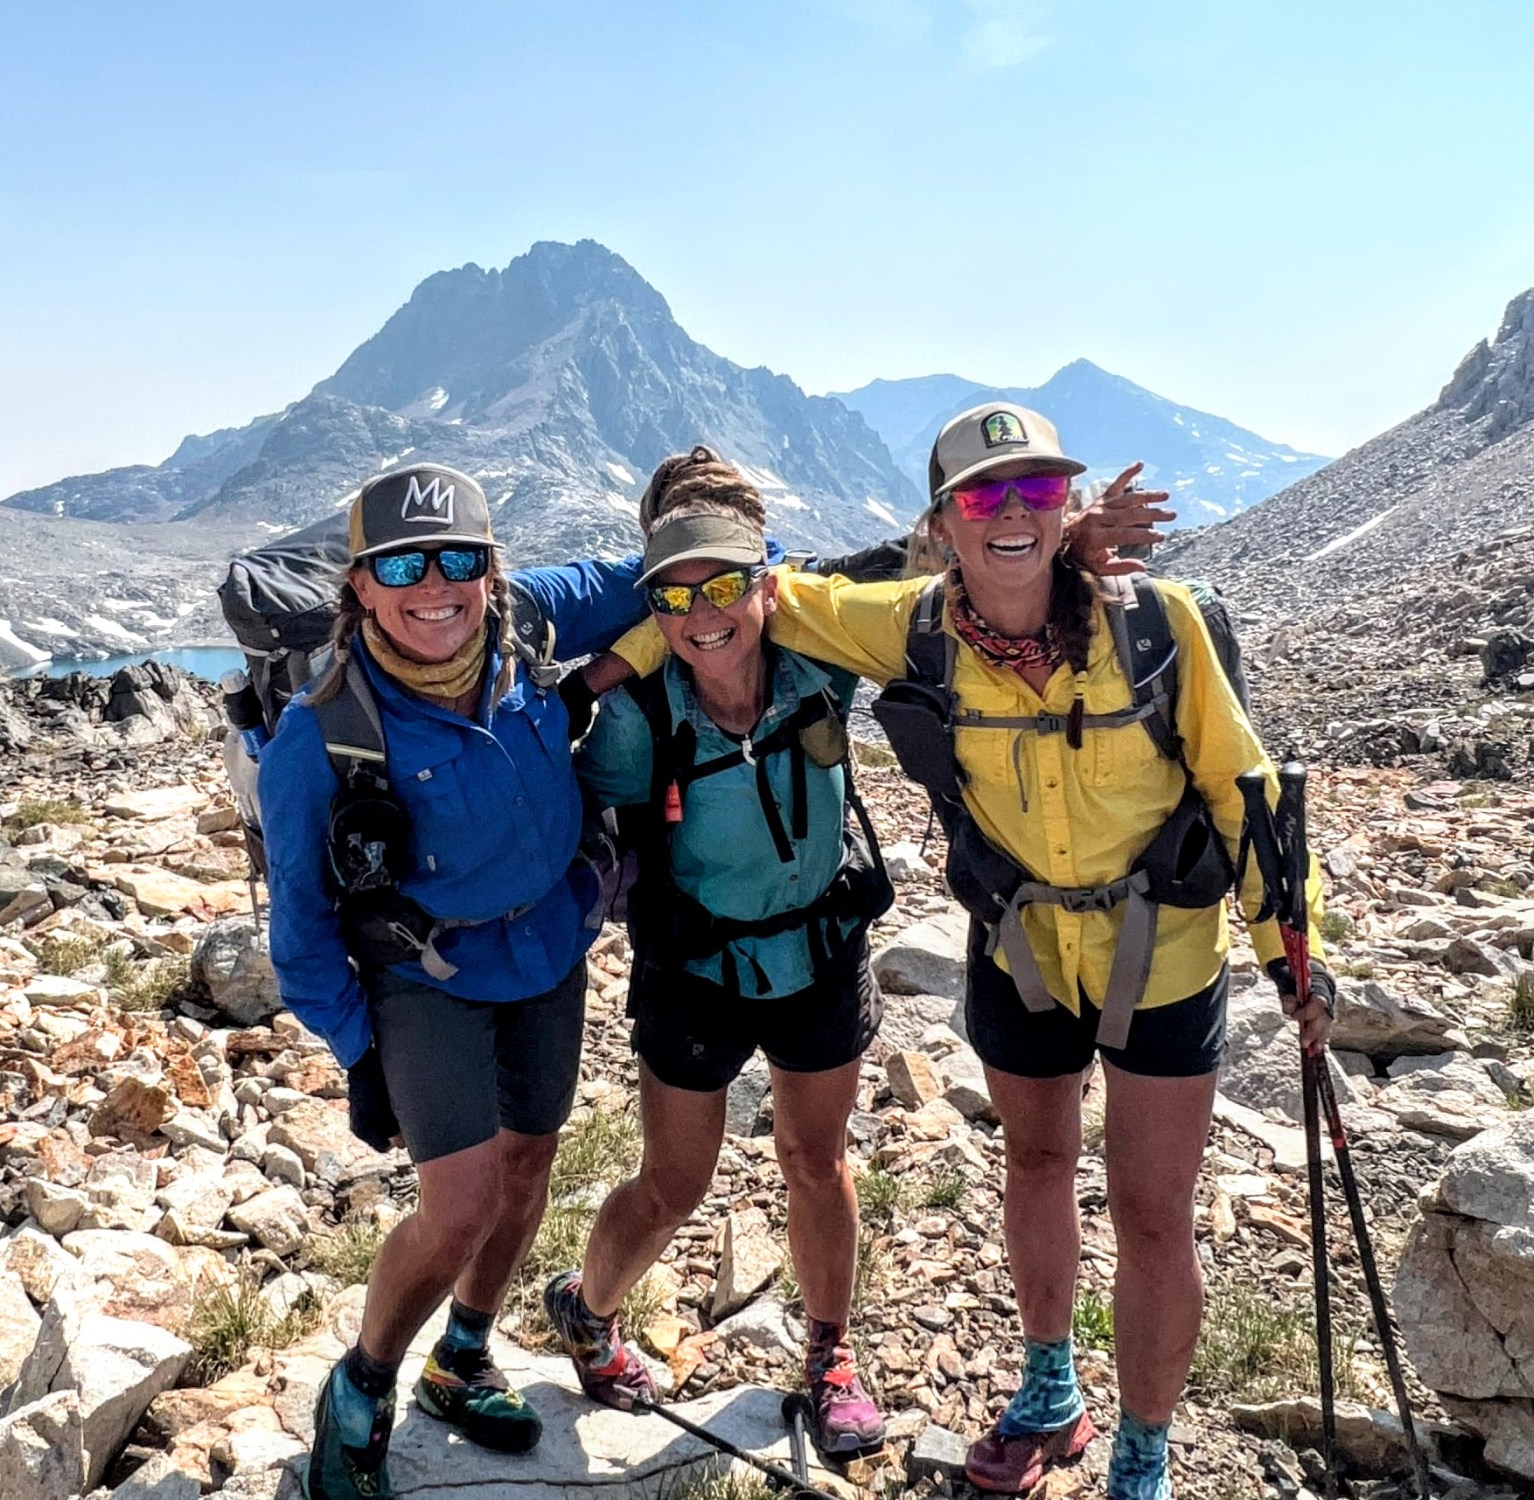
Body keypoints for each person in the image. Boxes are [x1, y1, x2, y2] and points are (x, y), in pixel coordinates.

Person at [602, 406, 1332, 1500]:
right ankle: (1049, 1386)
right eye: (984, 495)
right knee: (1035, 1165)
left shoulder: (1160, 624)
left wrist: (1293, 952)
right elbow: (737, 595)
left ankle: (1142, 1451)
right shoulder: (912, 626)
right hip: (1022, 950)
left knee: (1151, 1213)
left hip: (1164, 955)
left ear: (1065, 505)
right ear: (941, 523)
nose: (1011, 513)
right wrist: (608, 667)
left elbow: (1244, 791)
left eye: (1037, 491)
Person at [258, 463, 655, 1500]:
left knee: (528, 1164)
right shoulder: (319, 737)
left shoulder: (530, 625)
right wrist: (358, 1053)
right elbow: (300, 932)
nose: (433, 586)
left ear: (491, 569)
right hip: (426, 978)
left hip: (547, 951)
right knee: (460, 1207)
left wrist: (755, 554)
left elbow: (663, 571)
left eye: (457, 560)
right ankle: (360, 1387)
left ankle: (463, 1357)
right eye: (401, 566)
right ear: (359, 586)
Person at [542, 447, 893, 1458]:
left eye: (724, 586)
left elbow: (918, 598)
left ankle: (829, 1357)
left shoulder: (820, 662)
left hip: (819, 950)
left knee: (816, 1162)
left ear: (764, 583)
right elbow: (563, 805)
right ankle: (590, 1312)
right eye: (675, 595)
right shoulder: (636, 718)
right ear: (651, 605)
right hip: (694, 970)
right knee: (673, 1183)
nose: (703, 614)